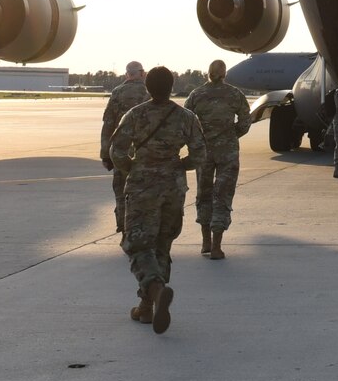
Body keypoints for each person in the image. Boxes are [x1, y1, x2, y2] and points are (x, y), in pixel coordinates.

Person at [106, 65, 209, 333]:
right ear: (172, 87)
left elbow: (116, 151)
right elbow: (200, 155)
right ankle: (146, 307)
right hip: (174, 187)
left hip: (143, 186)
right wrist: (176, 166)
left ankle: (154, 287)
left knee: (138, 244)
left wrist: (135, 168)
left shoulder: (135, 115)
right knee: (162, 245)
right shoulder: (186, 117)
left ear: (147, 88)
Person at [183, 59, 251, 259]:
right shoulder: (234, 94)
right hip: (227, 152)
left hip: (204, 151)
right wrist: (231, 135)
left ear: (208, 73)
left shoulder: (196, 94)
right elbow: (246, 120)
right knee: (222, 194)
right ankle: (216, 246)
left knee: (204, 193)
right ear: (225, 73)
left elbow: (187, 120)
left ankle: (205, 241)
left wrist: (200, 139)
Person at [99, 62, 150, 232]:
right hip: (144, 152)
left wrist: (105, 154)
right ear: (142, 73)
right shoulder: (148, 92)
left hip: (121, 151)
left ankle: (123, 228)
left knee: (121, 192)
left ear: (127, 74)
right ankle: (140, 228)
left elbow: (108, 125)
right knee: (143, 192)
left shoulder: (117, 92)